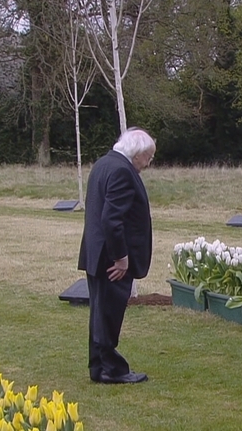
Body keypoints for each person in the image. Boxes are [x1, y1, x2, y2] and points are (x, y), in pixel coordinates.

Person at [78, 127, 156, 384]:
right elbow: (112, 220)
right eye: (149, 156)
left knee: (101, 313)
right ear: (137, 154)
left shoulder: (104, 163)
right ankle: (112, 369)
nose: (149, 162)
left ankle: (98, 367)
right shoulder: (122, 170)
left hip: (97, 253)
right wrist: (121, 257)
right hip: (111, 258)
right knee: (109, 313)